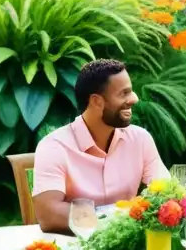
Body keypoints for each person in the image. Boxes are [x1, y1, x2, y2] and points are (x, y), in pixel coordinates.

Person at [33, 59, 168, 232]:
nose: (134, 99)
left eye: (131, 91)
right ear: (96, 101)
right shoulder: (54, 147)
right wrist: (118, 216)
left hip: (130, 248)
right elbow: (49, 214)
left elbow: (166, 194)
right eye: (123, 93)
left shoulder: (140, 139)